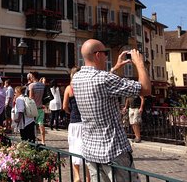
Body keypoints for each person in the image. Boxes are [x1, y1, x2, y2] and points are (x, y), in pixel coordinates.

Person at [72, 39, 151, 182]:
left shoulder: (76, 78)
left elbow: (98, 81)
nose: (107, 57)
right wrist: (139, 63)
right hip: (113, 151)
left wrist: (115, 67)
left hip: (91, 151)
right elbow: (145, 89)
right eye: (105, 53)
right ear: (97, 55)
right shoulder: (105, 79)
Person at [63, 66, 90, 182]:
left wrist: (70, 112)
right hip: (85, 121)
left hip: (74, 122)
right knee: (87, 150)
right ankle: (89, 178)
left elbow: (64, 106)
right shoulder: (86, 87)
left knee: (74, 148)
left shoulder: (69, 88)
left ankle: (77, 176)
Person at [28, 71, 46, 145]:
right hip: (40, 107)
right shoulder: (42, 85)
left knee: (32, 124)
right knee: (41, 124)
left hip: (33, 108)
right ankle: (43, 141)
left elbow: (30, 98)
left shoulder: (31, 85)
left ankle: (33, 139)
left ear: (33, 77)